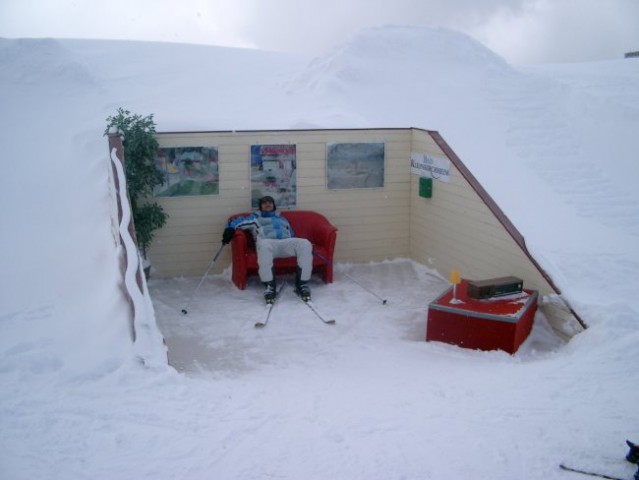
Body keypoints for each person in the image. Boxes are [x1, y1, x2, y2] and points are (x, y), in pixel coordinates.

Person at [222, 196, 313, 303]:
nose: (267, 204)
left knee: (305, 243)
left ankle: (301, 284)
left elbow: (291, 234)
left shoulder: (282, 218)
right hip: (268, 244)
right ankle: (270, 285)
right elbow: (238, 222)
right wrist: (229, 229)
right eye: (264, 203)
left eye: (270, 202)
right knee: (264, 245)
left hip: (285, 243)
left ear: (274, 205)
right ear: (260, 206)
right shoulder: (255, 218)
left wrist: (299, 246)